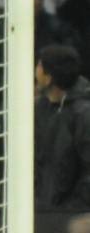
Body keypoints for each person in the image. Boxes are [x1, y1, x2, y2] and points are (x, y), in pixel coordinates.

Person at [34, 44, 90, 210]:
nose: (35, 71)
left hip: (72, 217)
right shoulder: (40, 108)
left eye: (39, 65)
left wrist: (72, 208)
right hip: (42, 212)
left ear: (49, 77)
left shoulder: (83, 114)